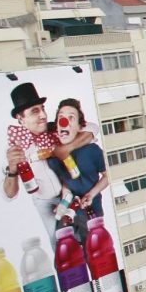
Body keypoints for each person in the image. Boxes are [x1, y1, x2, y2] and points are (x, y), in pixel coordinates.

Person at [1, 82, 95, 239]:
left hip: (71, 192)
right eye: (34, 111)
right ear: (20, 118)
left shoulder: (55, 130)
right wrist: (12, 171)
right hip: (44, 201)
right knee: (59, 243)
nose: (43, 115)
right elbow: (9, 194)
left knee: (88, 235)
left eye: (43, 108)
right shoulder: (14, 148)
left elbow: (92, 128)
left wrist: (66, 148)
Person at [46, 98, 109, 244]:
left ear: (80, 127)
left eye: (71, 118)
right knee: (66, 251)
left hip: (91, 212)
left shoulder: (91, 150)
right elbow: (66, 182)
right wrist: (64, 200)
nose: (64, 122)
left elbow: (108, 176)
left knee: (93, 249)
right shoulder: (54, 157)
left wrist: (91, 195)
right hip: (68, 212)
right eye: (61, 118)